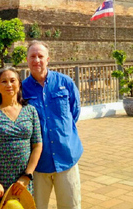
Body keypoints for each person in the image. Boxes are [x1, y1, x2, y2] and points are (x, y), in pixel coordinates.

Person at [22, 41, 83, 209]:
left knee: (70, 205)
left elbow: (74, 112)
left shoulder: (65, 83)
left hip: (66, 156)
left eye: (40, 56)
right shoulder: (22, 89)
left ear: (47, 59)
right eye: (32, 56)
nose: (37, 60)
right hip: (38, 163)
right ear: (27, 60)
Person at [0, 67, 43, 209]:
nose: (9, 85)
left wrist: (27, 176)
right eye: (4, 81)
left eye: (12, 80)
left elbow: (37, 145)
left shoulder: (30, 111)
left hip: (23, 179)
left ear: (19, 84)